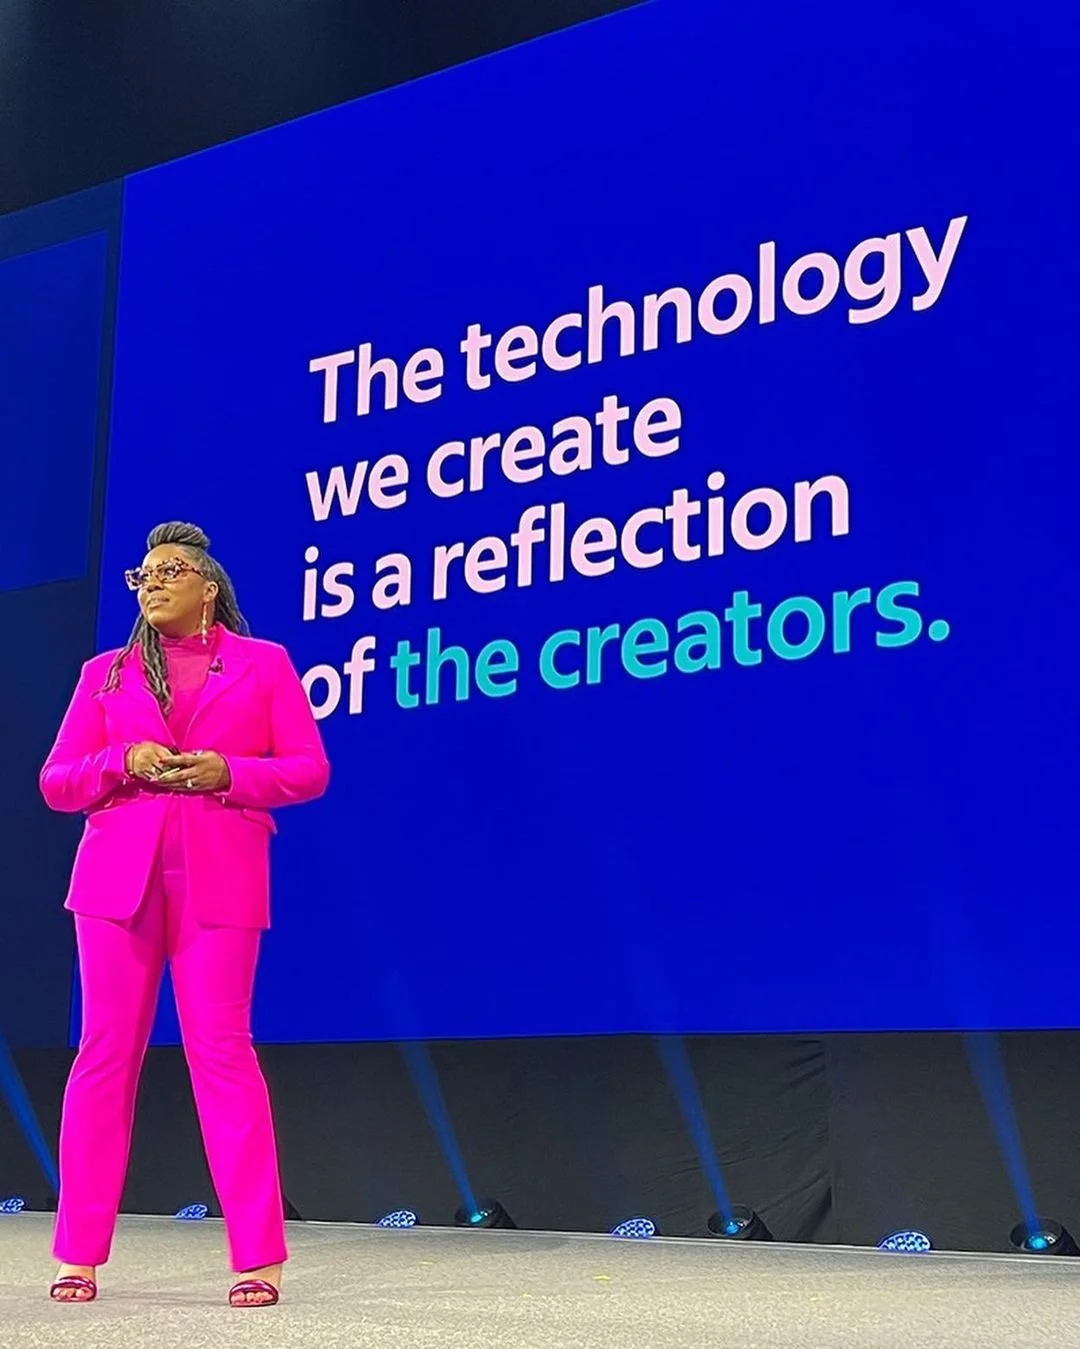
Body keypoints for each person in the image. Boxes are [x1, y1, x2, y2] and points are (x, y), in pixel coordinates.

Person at [40, 521, 329, 1307]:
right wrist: (118, 759)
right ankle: (76, 1254)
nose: (153, 582)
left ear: (209, 587)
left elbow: (309, 769)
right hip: (115, 882)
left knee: (223, 1054)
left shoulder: (264, 664)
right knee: (104, 1055)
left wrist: (228, 771)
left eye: (171, 570)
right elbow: (57, 781)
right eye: (144, 573)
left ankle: (257, 1256)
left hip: (220, 877)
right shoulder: (105, 673)